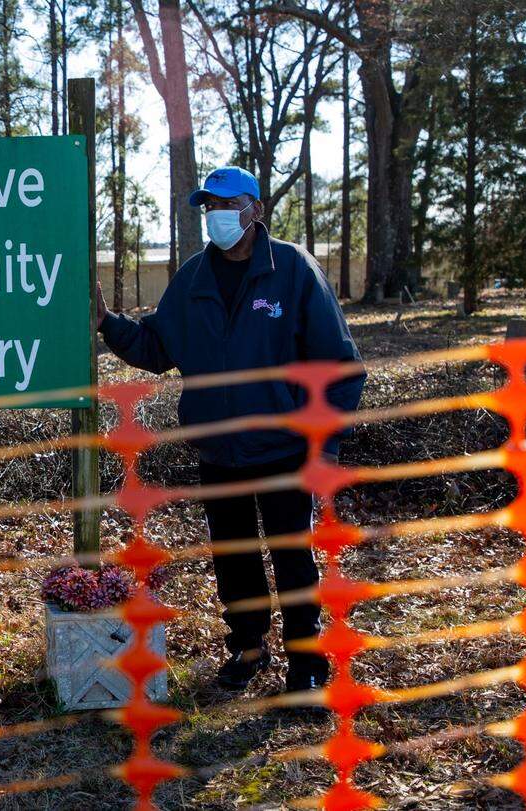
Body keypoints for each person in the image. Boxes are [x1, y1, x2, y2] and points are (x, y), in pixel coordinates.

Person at [94, 167, 364, 693]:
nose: (216, 214)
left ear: (255, 210)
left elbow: (341, 369)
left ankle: (306, 666)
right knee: (234, 558)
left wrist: (321, 447)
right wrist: (109, 323)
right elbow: (157, 347)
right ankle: (248, 647)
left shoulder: (292, 269)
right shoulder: (193, 278)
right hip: (219, 451)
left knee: (292, 560)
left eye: (227, 203)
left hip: (286, 449)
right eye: (208, 205)